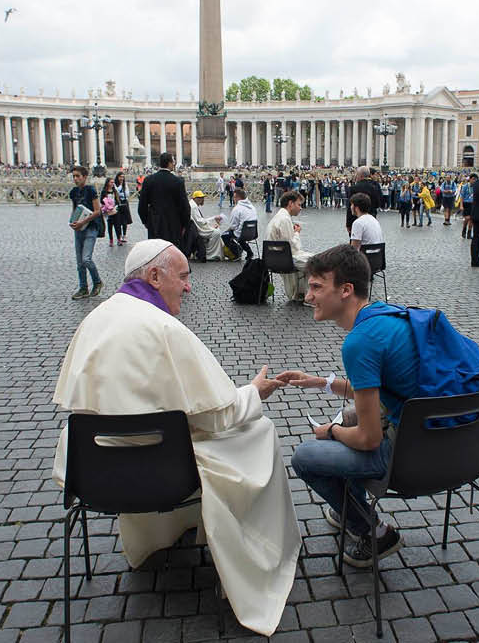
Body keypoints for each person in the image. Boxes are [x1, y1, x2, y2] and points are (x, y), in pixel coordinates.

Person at [49, 239, 299, 636]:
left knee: (169, 439)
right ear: (153, 275)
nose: (188, 287)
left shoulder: (95, 319)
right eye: (182, 277)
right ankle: (260, 554)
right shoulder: (163, 327)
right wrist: (254, 392)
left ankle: (164, 531)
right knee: (260, 432)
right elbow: (219, 415)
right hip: (167, 473)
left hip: (96, 473)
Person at [275, 245, 411, 567]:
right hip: (459, 448)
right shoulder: (393, 317)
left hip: (411, 460)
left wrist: (332, 431)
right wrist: (319, 382)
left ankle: (374, 531)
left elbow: (369, 440)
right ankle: (349, 507)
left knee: (306, 457)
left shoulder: (359, 341)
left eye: (316, 287)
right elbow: (375, 392)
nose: (308, 297)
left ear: (346, 290)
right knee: (351, 419)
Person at [267, 191, 316, 304]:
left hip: (275, 256)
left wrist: (293, 233)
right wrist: (297, 233)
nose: (301, 208)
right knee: (316, 262)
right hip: (283, 259)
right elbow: (291, 247)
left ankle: (300, 293)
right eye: (299, 204)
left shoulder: (280, 217)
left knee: (314, 258)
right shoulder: (284, 219)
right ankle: (310, 298)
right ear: (290, 204)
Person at [138, 152, 191, 254]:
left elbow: (142, 205)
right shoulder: (178, 181)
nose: (174, 164)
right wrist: (185, 224)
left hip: (154, 222)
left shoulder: (148, 180)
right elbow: (184, 206)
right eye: (173, 161)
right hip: (174, 223)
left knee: (156, 253)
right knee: (171, 252)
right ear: (170, 163)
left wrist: (146, 221)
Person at [66, 169, 106, 298]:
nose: (76, 179)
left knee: (86, 259)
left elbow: (97, 211)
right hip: (79, 228)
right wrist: (73, 222)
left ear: (85, 177)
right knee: (79, 262)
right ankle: (83, 288)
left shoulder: (91, 191)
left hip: (91, 228)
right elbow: (75, 209)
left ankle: (97, 281)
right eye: (74, 176)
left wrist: (83, 221)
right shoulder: (73, 192)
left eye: (78, 176)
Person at [220, 188, 259, 262]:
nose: (233, 199)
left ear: (238, 198)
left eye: (234, 197)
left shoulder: (237, 209)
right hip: (253, 233)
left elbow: (232, 226)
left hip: (242, 234)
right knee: (241, 233)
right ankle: (249, 252)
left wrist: (226, 230)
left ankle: (236, 253)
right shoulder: (252, 207)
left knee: (224, 235)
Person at [186, 191, 225, 263]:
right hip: (198, 229)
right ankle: (211, 255)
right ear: (196, 199)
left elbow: (200, 221)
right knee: (216, 232)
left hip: (196, 228)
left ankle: (215, 253)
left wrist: (210, 224)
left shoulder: (193, 205)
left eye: (203, 198)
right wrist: (212, 221)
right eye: (201, 198)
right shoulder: (193, 207)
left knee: (216, 231)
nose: (203, 200)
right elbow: (200, 222)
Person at [348, 166, 382, 235]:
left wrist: (348, 223)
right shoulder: (375, 187)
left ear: (360, 175)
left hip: (356, 218)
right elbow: (378, 203)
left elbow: (350, 207)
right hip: (371, 218)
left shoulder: (353, 188)